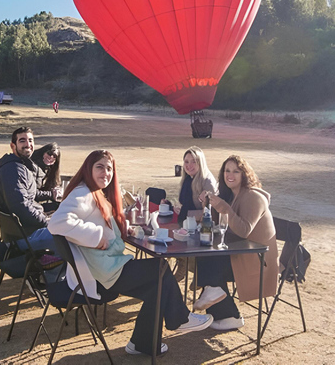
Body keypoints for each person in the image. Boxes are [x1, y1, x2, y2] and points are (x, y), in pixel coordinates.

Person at [48, 150, 213, 356]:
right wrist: (97, 236)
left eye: (109, 169)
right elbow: (56, 222)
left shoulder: (93, 191)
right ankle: (180, 318)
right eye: (100, 167)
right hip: (102, 274)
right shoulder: (83, 192)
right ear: (88, 168)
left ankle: (141, 344)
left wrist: (120, 230)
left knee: (156, 288)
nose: (106, 173)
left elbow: (99, 220)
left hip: (105, 267)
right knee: (160, 267)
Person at [193, 155, 279, 331]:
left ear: (244, 174)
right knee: (204, 255)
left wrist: (224, 207)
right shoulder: (230, 195)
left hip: (257, 260)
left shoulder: (254, 197)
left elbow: (243, 230)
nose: (230, 175)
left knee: (212, 263)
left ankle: (228, 313)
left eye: (235, 171)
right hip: (238, 252)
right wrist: (207, 205)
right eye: (227, 171)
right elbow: (217, 225)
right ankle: (221, 307)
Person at [0, 126, 61, 252]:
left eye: (30, 140)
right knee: (69, 235)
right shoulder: (13, 170)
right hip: (23, 237)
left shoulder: (21, 166)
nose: (28, 144)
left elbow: (30, 194)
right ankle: (55, 271)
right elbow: (20, 206)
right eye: (22, 141)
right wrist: (46, 221)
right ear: (13, 146)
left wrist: (51, 195)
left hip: (24, 230)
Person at [177, 146, 217, 224]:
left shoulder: (207, 181)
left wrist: (187, 214)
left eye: (194, 162)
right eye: (186, 162)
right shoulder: (188, 178)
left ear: (200, 163)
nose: (189, 165)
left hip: (200, 227)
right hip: (186, 223)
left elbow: (211, 214)